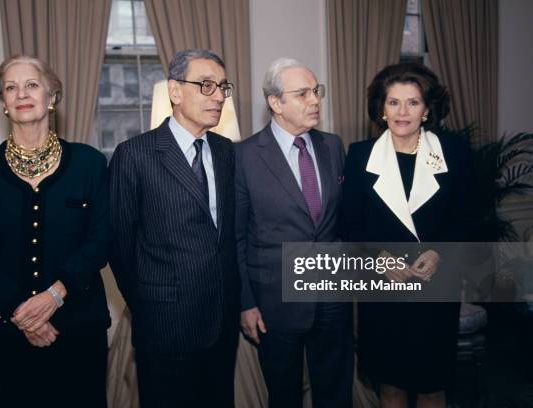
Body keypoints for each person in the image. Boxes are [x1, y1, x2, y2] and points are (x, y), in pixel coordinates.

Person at [0, 55, 110, 407]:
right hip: (5, 333)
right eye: (10, 88)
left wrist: (53, 297)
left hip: (77, 330)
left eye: (31, 84)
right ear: (3, 104)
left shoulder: (90, 163)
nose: (21, 93)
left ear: (52, 96)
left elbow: (101, 240)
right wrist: (24, 314)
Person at [109, 49, 240, 408]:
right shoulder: (135, 154)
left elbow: (229, 237)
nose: (217, 96)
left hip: (222, 322)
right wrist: (150, 303)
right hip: (165, 325)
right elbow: (119, 245)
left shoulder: (227, 151)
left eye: (222, 87)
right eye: (206, 85)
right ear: (175, 91)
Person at [340, 62, 475, 407]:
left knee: (432, 386)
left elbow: (467, 218)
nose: (403, 112)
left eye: (413, 102)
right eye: (393, 102)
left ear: (427, 109)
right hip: (384, 293)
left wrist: (440, 252)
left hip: (435, 288)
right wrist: (378, 257)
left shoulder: (454, 154)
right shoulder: (360, 156)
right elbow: (349, 225)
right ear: (381, 109)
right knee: (391, 386)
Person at [237, 57, 353, 408]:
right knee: (284, 395)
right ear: (275, 102)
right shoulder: (243, 156)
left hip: (332, 298)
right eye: (302, 93)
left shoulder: (333, 145)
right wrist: (246, 303)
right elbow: (235, 237)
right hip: (276, 302)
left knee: (336, 393)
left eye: (316, 91)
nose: (315, 100)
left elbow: (342, 223)